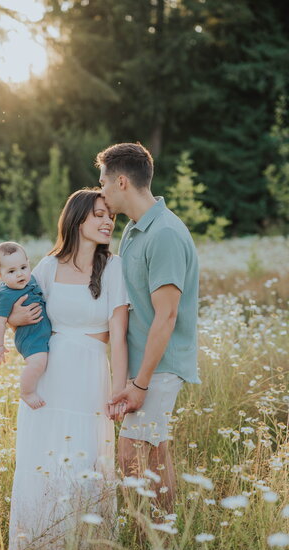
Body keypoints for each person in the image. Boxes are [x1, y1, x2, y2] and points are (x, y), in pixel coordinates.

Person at [6, 189, 129, 550]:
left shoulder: (114, 267)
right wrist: (12, 319)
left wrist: (119, 390)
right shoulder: (47, 266)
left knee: (84, 458)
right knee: (43, 458)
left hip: (91, 374)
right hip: (49, 375)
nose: (108, 221)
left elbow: (119, 338)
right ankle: (41, 546)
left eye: (111, 216)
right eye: (99, 215)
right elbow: (20, 319)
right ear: (77, 220)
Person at [96, 142, 201, 514]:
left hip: (159, 367)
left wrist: (140, 383)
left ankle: (156, 539)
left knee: (129, 457)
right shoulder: (135, 231)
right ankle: (165, 543)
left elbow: (166, 316)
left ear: (122, 182)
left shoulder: (165, 234)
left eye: (104, 182)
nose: (102, 191)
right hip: (142, 366)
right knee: (154, 455)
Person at [0, 241, 52, 409]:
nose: (20, 274)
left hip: (41, 332)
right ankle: (27, 392)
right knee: (38, 363)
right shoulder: (5, 294)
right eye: (11, 271)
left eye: (23, 267)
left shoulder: (30, 279)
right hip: (29, 337)